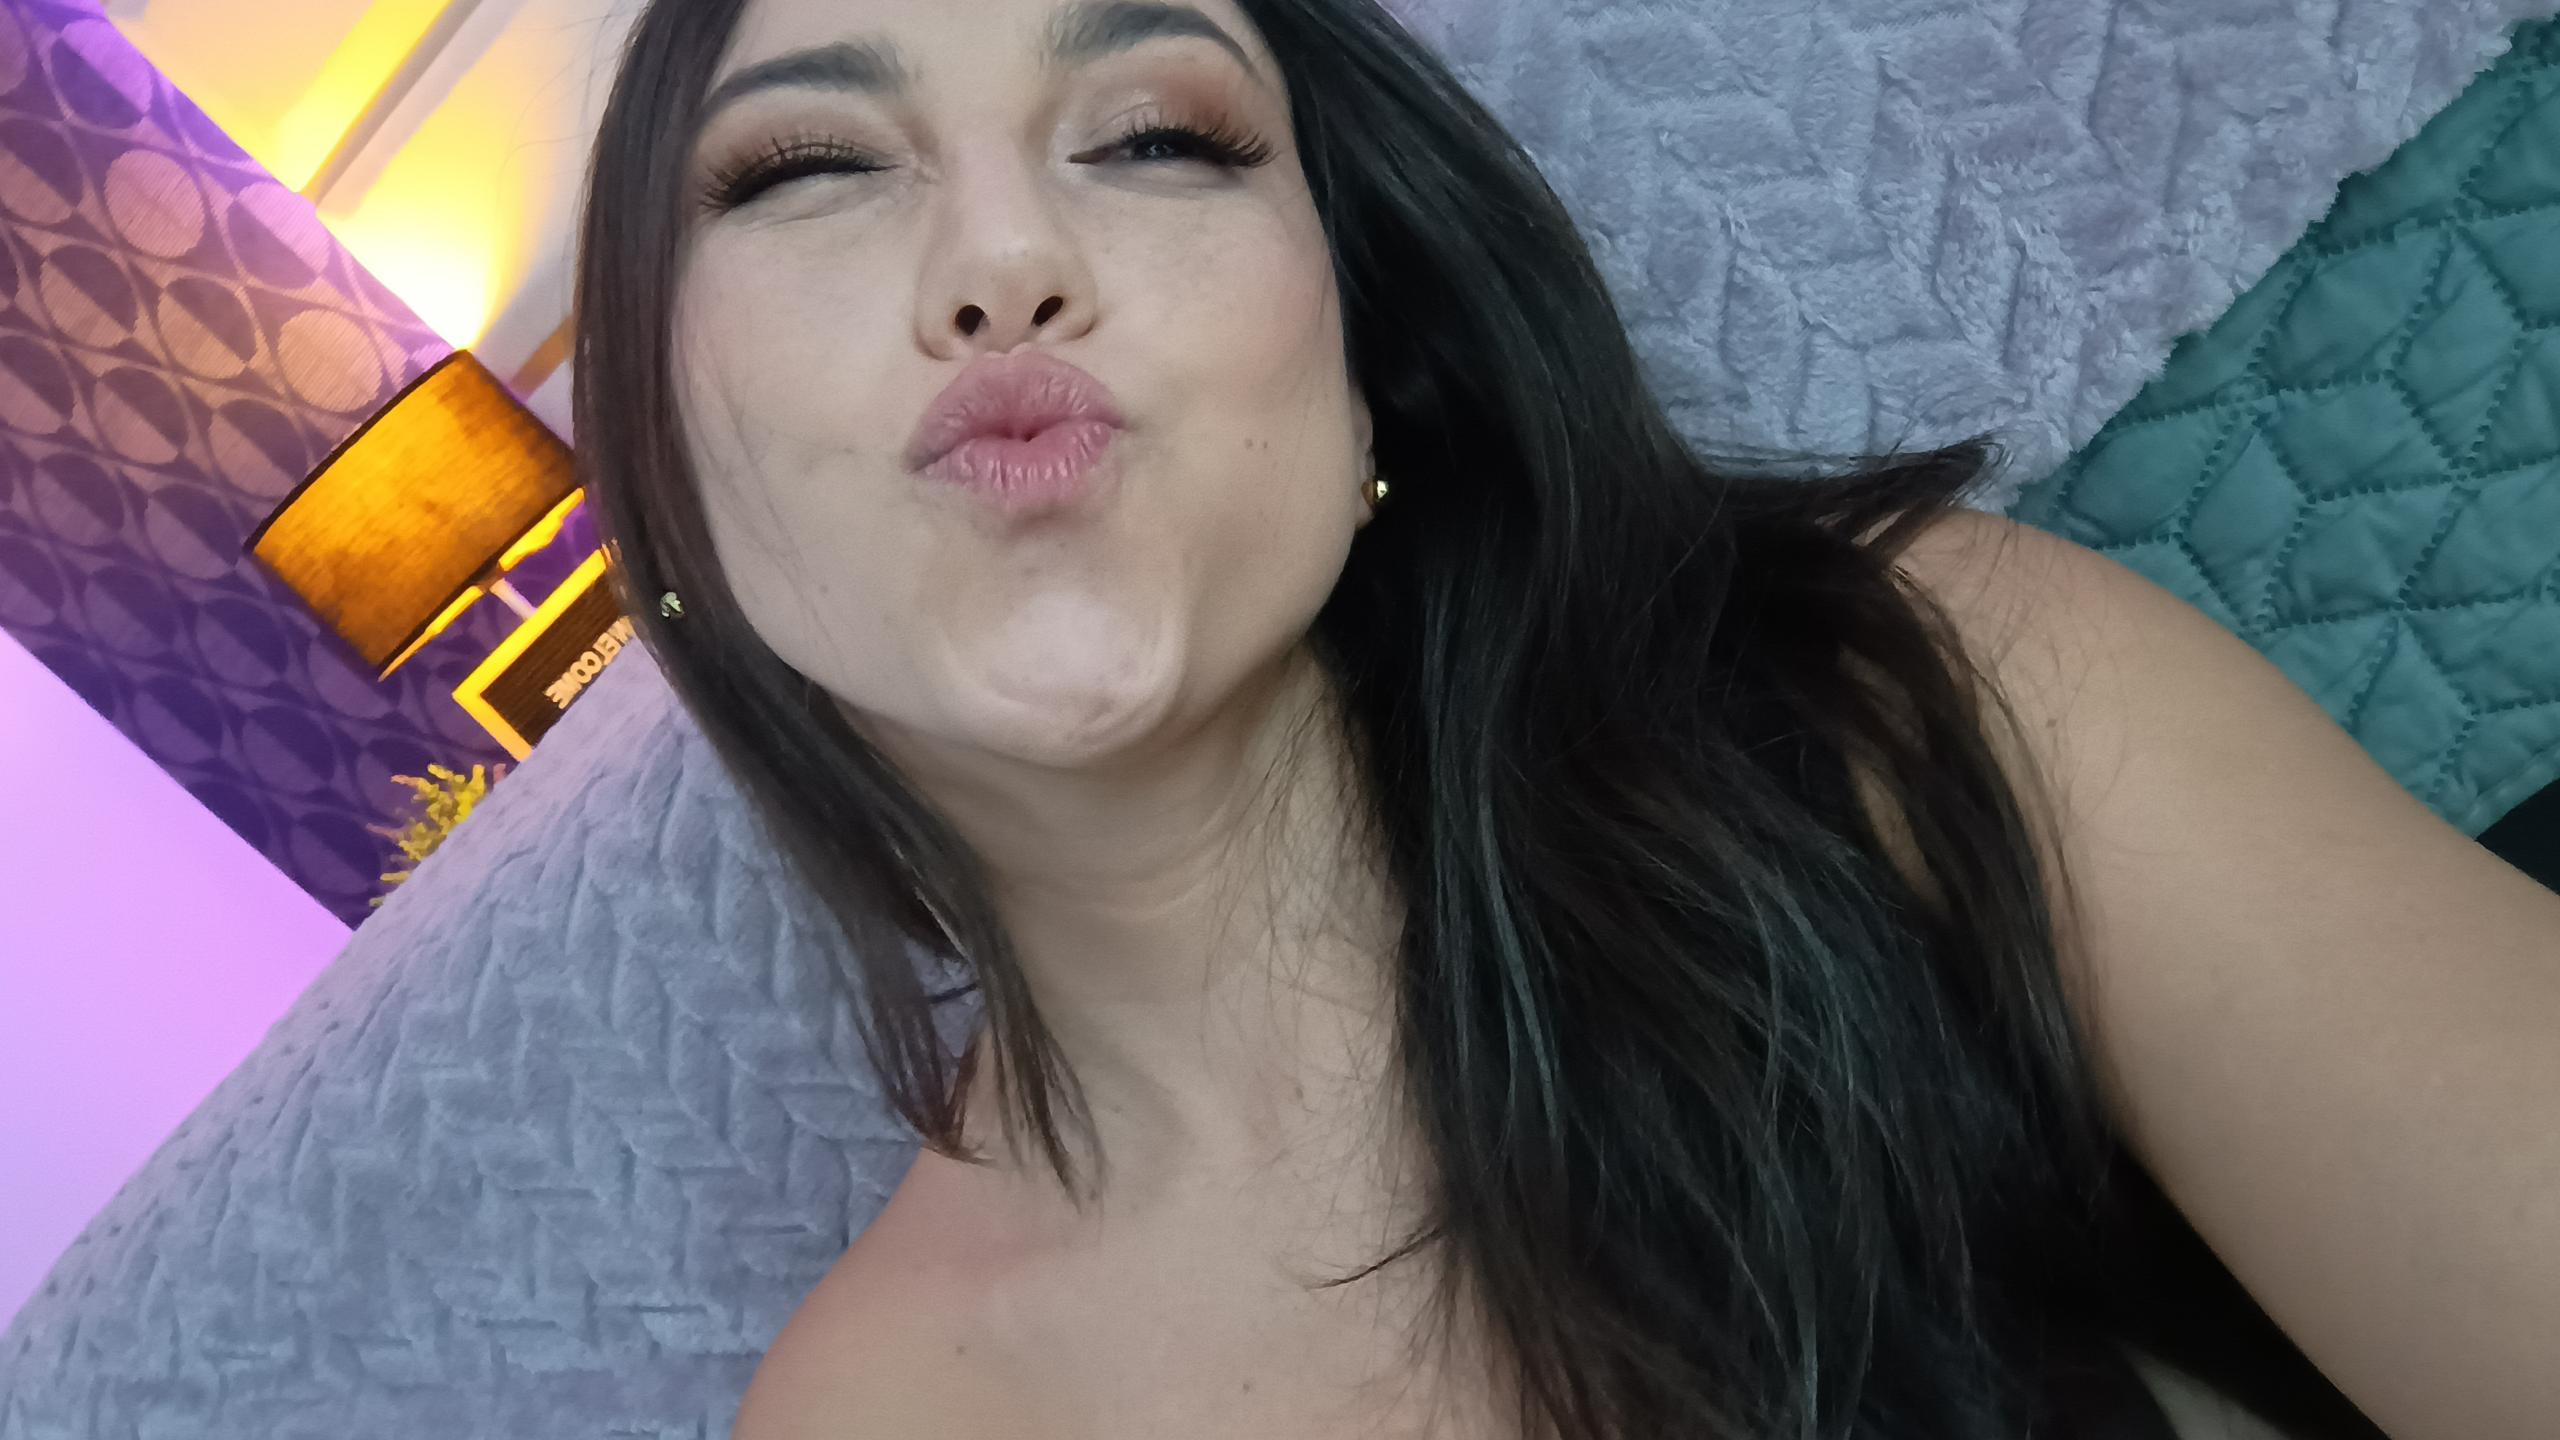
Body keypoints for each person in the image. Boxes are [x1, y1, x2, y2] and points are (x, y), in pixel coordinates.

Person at [568, 1, 2560, 1436]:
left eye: (1160, 135)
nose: (1005, 260)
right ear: (664, 470)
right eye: (807, 169)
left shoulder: (1920, 699)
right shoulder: (875, 1407)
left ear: (1369, 364)